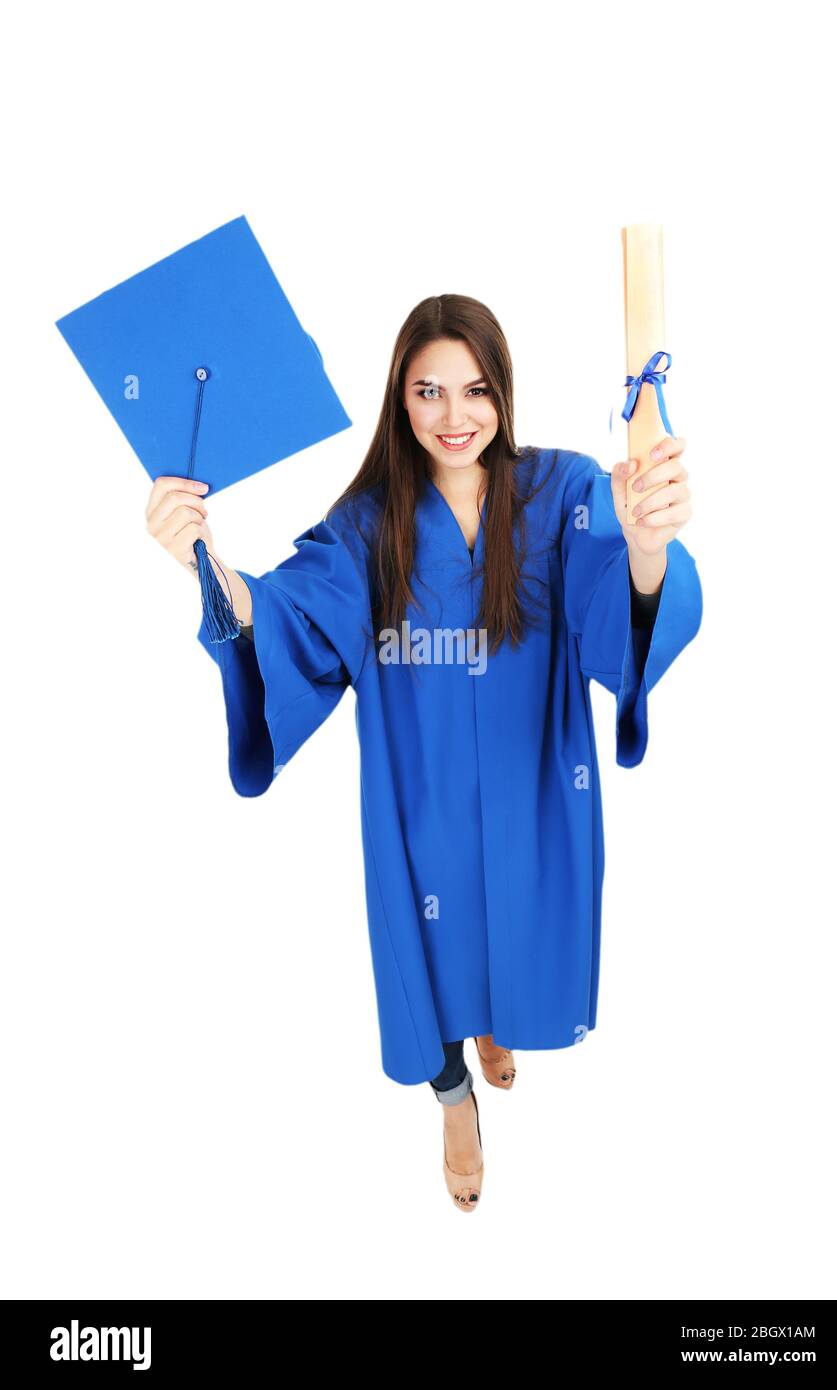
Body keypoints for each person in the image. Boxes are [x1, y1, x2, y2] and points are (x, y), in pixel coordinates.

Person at [145, 295, 700, 1213]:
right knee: (424, 950)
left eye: (475, 391)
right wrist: (204, 564)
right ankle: (454, 1102)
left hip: (533, 787)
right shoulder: (369, 525)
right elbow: (287, 614)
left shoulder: (562, 492)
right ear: (400, 401)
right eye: (428, 392)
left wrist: (646, 548)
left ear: (503, 393)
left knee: (517, 924)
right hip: (420, 798)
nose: (455, 418)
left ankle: (501, 1028)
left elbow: (619, 603)